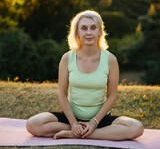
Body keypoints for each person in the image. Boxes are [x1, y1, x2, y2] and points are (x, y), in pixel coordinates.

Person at [26, 10, 144, 140]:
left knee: (137, 127)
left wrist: (94, 122)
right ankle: (82, 131)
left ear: (99, 32)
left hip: (100, 120)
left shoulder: (110, 60)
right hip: (71, 118)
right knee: (32, 124)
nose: (88, 32)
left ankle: (78, 134)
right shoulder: (67, 58)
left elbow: (112, 95)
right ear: (77, 32)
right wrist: (73, 123)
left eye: (93, 28)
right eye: (84, 28)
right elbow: (61, 92)